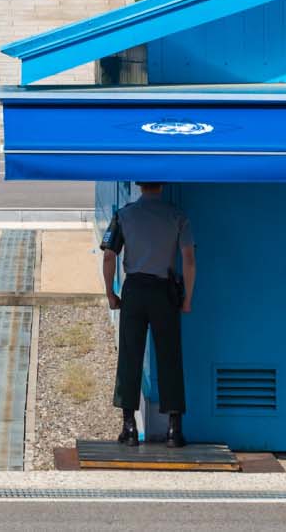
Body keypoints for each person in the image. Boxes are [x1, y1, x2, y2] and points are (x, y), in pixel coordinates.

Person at [100, 181, 197, 448]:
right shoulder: (177, 215)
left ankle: (129, 426)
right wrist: (187, 298)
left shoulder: (124, 214)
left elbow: (109, 257)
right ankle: (174, 429)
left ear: (138, 185)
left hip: (135, 289)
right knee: (169, 356)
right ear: (162, 185)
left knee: (130, 354)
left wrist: (110, 293)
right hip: (164, 290)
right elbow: (188, 260)